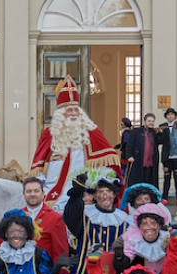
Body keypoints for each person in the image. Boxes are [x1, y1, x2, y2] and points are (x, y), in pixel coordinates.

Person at [29, 75, 121, 212]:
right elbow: (38, 165)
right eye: (69, 110)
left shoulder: (91, 132)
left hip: (83, 193)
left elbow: (110, 160)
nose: (73, 113)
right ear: (61, 113)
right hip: (51, 192)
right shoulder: (50, 133)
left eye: (76, 109)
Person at [63, 168, 130, 274]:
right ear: (94, 195)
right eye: (100, 191)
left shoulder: (125, 221)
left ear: (114, 194)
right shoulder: (84, 214)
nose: (105, 195)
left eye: (109, 191)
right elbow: (69, 217)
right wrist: (77, 191)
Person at [114, 203, 171, 274]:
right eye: (144, 224)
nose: (149, 227)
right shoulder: (132, 242)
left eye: (153, 223)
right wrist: (119, 254)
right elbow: (121, 269)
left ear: (159, 225)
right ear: (139, 226)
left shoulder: (168, 240)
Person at [20, 177, 68, 264]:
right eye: (29, 191)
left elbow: (61, 254)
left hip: (45, 273)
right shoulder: (16, 216)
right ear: (24, 194)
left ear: (43, 194)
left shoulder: (55, 218)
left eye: (36, 191)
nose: (32, 194)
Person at [125, 113, 160, 187]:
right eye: (149, 121)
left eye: (152, 121)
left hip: (150, 162)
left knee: (148, 182)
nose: (151, 123)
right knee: (137, 182)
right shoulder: (136, 131)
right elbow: (130, 144)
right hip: (138, 160)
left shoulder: (154, 133)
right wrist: (129, 156)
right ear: (145, 122)